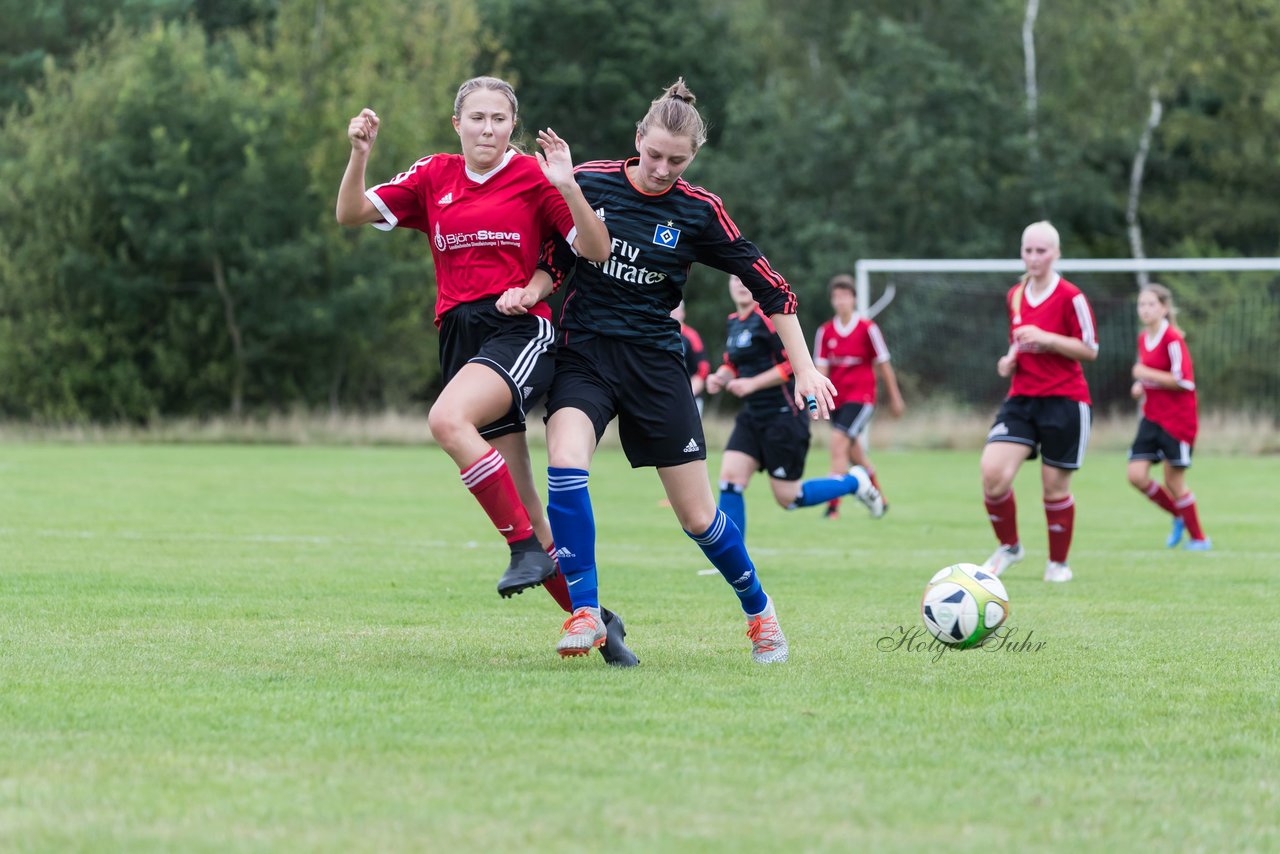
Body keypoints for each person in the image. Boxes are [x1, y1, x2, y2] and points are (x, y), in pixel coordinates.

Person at [499, 78, 836, 664]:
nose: (660, 169)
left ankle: (760, 612)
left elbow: (771, 287)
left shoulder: (698, 210)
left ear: (694, 158)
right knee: (567, 463)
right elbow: (556, 254)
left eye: (676, 161)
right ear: (638, 140)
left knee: (699, 518)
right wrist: (530, 289)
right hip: (587, 354)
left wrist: (803, 367)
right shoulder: (592, 180)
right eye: (653, 155)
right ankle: (585, 611)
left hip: (656, 365)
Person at [335, 76, 637, 666]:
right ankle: (597, 619)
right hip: (461, 340)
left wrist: (568, 187)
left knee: (447, 420)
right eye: (477, 118)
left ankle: (523, 549)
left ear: (512, 127)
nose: (488, 128)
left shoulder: (530, 176)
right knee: (524, 499)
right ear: (458, 124)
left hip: (520, 331)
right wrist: (359, 153)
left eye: (500, 119)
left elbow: (596, 251)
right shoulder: (433, 175)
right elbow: (348, 212)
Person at [707, 275, 884, 537]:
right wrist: (720, 376)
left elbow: (794, 364)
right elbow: (732, 363)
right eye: (735, 279)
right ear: (729, 284)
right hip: (752, 416)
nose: (741, 284)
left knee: (789, 497)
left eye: (745, 279)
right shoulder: (733, 322)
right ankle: (731, 560)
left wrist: (752, 384)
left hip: (784, 416)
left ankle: (853, 482)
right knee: (730, 480)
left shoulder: (768, 319)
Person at [979, 221, 1098, 583]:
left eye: (1041, 251)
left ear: (1056, 253)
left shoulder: (1071, 297)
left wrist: (1047, 338)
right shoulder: (1015, 294)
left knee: (1054, 488)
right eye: (1028, 250)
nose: (1033, 257)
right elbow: (1019, 340)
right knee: (993, 474)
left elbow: (1089, 349)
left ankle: (1057, 565)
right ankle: (1010, 547)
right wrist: (1009, 358)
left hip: (1065, 400)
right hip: (1022, 398)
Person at [812, 273, 905, 519]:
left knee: (837, 443)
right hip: (837, 400)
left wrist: (895, 397)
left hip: (862, 398)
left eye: (845, 296)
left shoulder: (868, 329)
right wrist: (816, 401)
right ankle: (879, 498)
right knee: (854, 454)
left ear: (854, 299)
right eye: (836, 297)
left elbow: (884, 365)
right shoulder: (825, 332)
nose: (841, 301)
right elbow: (819, 370)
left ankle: (833, 507)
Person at [1126, 284, 1211, 549]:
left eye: (1152, 304)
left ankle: (1199, 539)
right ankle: (1178, 515)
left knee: (1174, 481)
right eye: (1142, 304)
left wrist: (1144, 374)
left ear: (1164, 308)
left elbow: (1183, 381)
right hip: (1152, 418)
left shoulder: (1173, 338)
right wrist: (1141, 386)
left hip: (1177, 421)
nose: (1146, 309)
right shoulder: (1143, 339)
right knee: (1136, 475)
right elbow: (1149, 374)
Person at [672, 300, 710, 416]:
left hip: (689, 399)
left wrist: (686, 395)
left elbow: (703, 369)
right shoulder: (655, 335)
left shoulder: (691, 336)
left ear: (683, 313)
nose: (672, 314)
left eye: (676, 310)